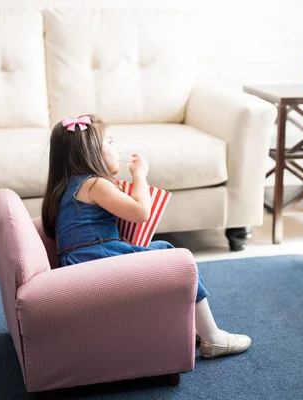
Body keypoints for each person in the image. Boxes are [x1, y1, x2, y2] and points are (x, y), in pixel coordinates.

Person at [41, 114, 251, 359]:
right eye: (109, 142)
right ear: (90, 152)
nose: (117, 149)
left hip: (83, 261)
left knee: (162, 251)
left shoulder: (66, 188)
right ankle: (213, 336)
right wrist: (139, 176)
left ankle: (193, 327)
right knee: (178, 258)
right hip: (98, 259)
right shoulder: (94, 185)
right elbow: (141, 212)